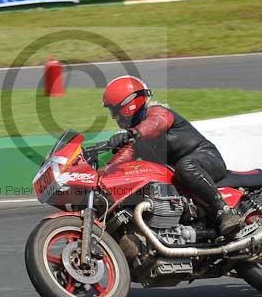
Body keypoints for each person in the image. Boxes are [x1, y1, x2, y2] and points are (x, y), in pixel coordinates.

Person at [102, 75, 240, 237]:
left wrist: (131, 133)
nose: (114, 117)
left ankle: (224, 211)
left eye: (115, 110)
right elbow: (120, 161)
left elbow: (156, 123)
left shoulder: (157, 113)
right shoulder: (137, 137)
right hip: (181, 180)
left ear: (128, 105)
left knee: (186, 166)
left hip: (206, 159)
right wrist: (100, 175)